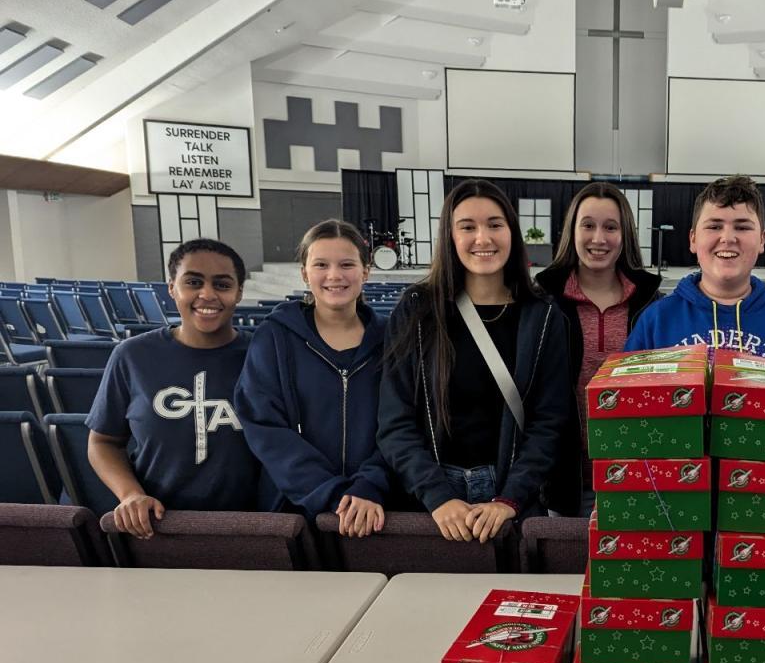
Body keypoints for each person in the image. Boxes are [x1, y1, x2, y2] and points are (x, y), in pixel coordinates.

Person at [378, 178, 576, 542]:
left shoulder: (543, 317)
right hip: (431, 503)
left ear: (512, 233)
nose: (483, 238)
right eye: (467, 227)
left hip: (512, 500)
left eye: (495, 225)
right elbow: (395, 422)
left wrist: (510, 499)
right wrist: (438, 496)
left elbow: (549, 422)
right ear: (449, 237)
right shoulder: (417, 311)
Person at [87, 239, 259, 538]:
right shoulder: (132, 355)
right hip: (159, 525)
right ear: (171, 288)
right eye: (193, 282)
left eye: (222, 284)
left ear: (239, 292)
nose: (207, 294)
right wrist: (130, 494)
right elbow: (103, 442)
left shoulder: (264, 354)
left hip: (252, 523)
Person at [234, 219, 392, 537]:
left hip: (376, 508)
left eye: (346, 264)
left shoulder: (393, 339)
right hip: (294, 511)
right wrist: (330, 493)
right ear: (305, 273)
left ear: (365, 271)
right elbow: (264, 426)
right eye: (321, 264)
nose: (334, 275)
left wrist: (369, 484)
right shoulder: (274, 337)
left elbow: (404, 424)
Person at [536, 182, 662, 513]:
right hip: (564, 480)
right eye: (588, 225)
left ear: (625, 234)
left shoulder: (651, 305)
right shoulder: (543, 302)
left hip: (637, 477)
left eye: (610, 227)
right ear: (572, 231)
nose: (598, 238)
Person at [624, 175, 765, 364]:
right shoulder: (656, 321)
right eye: (714, 227)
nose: (728, 238)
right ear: (693, 239)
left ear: (762, 240)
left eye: (742, 227)